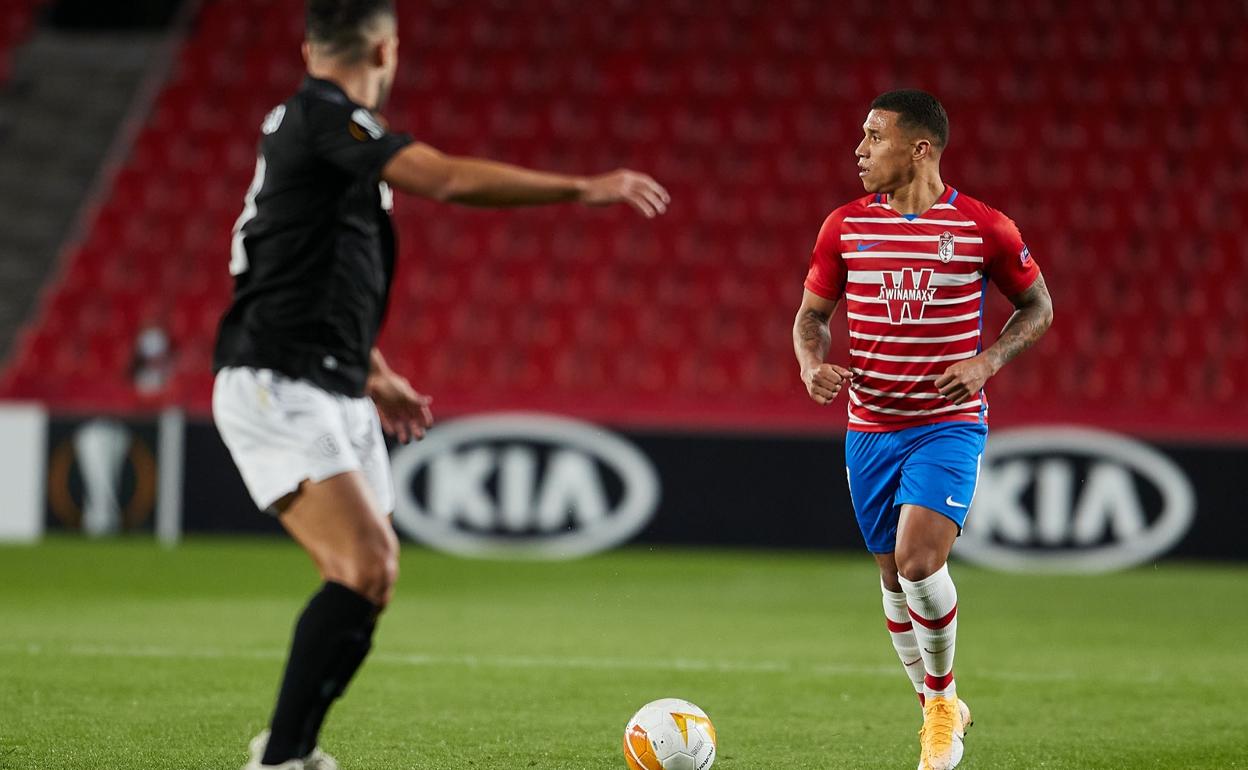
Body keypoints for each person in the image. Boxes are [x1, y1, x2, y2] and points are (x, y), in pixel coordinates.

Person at [211, 2, 670, 768]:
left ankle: (292, 749)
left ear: (309, 46)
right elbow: (449, 180)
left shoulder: (319, 138)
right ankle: (282, 757)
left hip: (330, 375)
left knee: (371, 577)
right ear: (387, 48)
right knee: (365, 566)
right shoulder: (326, 117)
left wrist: (376, 370)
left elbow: (310, 270)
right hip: (277, 376)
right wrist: (582, 187)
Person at [792, 89, 1052, 770]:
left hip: (947, 425)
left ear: (921, 148)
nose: (859, 149)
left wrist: (987, 360)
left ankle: (941, 706)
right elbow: (810, 315)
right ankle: (939, 708)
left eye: (874, 136)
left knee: (918, 563)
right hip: (869, 428)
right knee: (890, 580)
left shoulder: (984, 227)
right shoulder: (844, 226)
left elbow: (1038, 305)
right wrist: (809, 362)